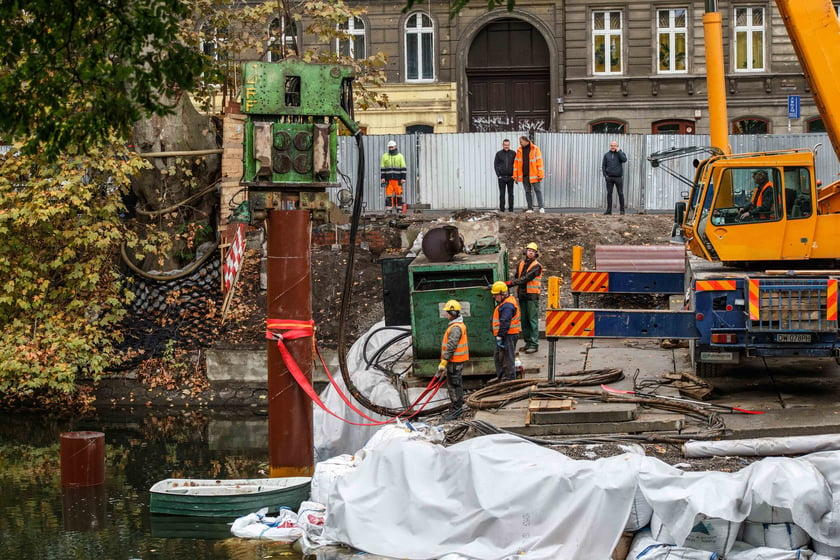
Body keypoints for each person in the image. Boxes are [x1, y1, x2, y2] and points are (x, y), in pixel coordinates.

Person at [436, 299, 468, 420]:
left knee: (454, 385)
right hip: (456, 360)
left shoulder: (455, 328)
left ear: (452, 313)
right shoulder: (457, 325)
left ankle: (456, 410)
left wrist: (444, 361)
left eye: (447, 312)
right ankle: (456, 406)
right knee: (456, 383)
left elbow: (451, 346)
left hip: (454, 361)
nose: (446, 315)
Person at [508, 242, 542, 353]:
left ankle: (534, 344)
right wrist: (511, 282)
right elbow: (517, 277)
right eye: (529, 250)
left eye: (532, 251)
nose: (530, 252)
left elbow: (525, 278)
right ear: (525, 252)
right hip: (522, 295)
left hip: (532, 296)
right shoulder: (521, 264)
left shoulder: (536, 266)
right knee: (524, 320)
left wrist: (510, 283)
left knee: (532, 321)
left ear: (536, 253)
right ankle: (528, 343)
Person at [490, 281, 521, 383]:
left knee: (507, 359)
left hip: (508, 335)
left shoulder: (507, 305)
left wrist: (500, 336)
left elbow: (505, 322)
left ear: (502, 294)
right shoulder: (505, 302)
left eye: (495, 295)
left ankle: (509, 381)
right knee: (499, 358)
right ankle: (503, 379)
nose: (494, 297)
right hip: (506, 335)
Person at [512, 136, 545, 214]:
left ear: (526, 141)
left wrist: (540, 174)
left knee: (538, 190)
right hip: (525, 175)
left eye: (521, 141)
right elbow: (516, 164)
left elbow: (539, 162)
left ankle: (541, 207)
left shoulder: (535, 149)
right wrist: (515, 176)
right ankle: (530, 208)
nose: (520, 143)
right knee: (527, 191)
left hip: (534, 175)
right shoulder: (519, 150)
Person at [602, 140, 628, 215]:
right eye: (612, 145)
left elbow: (624, 160)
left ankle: (622, 211)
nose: (613, 147)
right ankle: (609, 210)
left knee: (620, 193)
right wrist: (605, 175)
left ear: (617, 146)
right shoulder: (606, 154)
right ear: (610, 146)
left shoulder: (621, 153)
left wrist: (619, 151)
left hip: (618, 177)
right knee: (609, 193)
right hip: (609, 177)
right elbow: (603, 165)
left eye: (615, 145)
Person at [380, 140, 407, 213]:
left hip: (398, 180)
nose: (390, 149)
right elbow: (383, 168)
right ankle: (389, 209)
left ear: (395, 147)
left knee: (399, 194)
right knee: (389, 195)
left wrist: (403, 178)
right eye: (389, 147)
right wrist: (382, 178)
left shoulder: (400, 156)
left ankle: (399, 209)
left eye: (392, 147)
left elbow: (403, 168)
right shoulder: (385, 156)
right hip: (388, 180)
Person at [493, 138, 516, 212]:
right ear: (502, 145)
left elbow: (516, 165)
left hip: (510, 177)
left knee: (511, 194)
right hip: (502, 178)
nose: (506, 146)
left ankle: (511, 210)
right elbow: (495, 165)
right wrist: (498, 175)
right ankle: (502, 210)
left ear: (509, 145)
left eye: (508, 145)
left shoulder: (513, 153)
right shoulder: (498, 154)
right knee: (502, 194)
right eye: (505, 145)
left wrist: (514, 175)